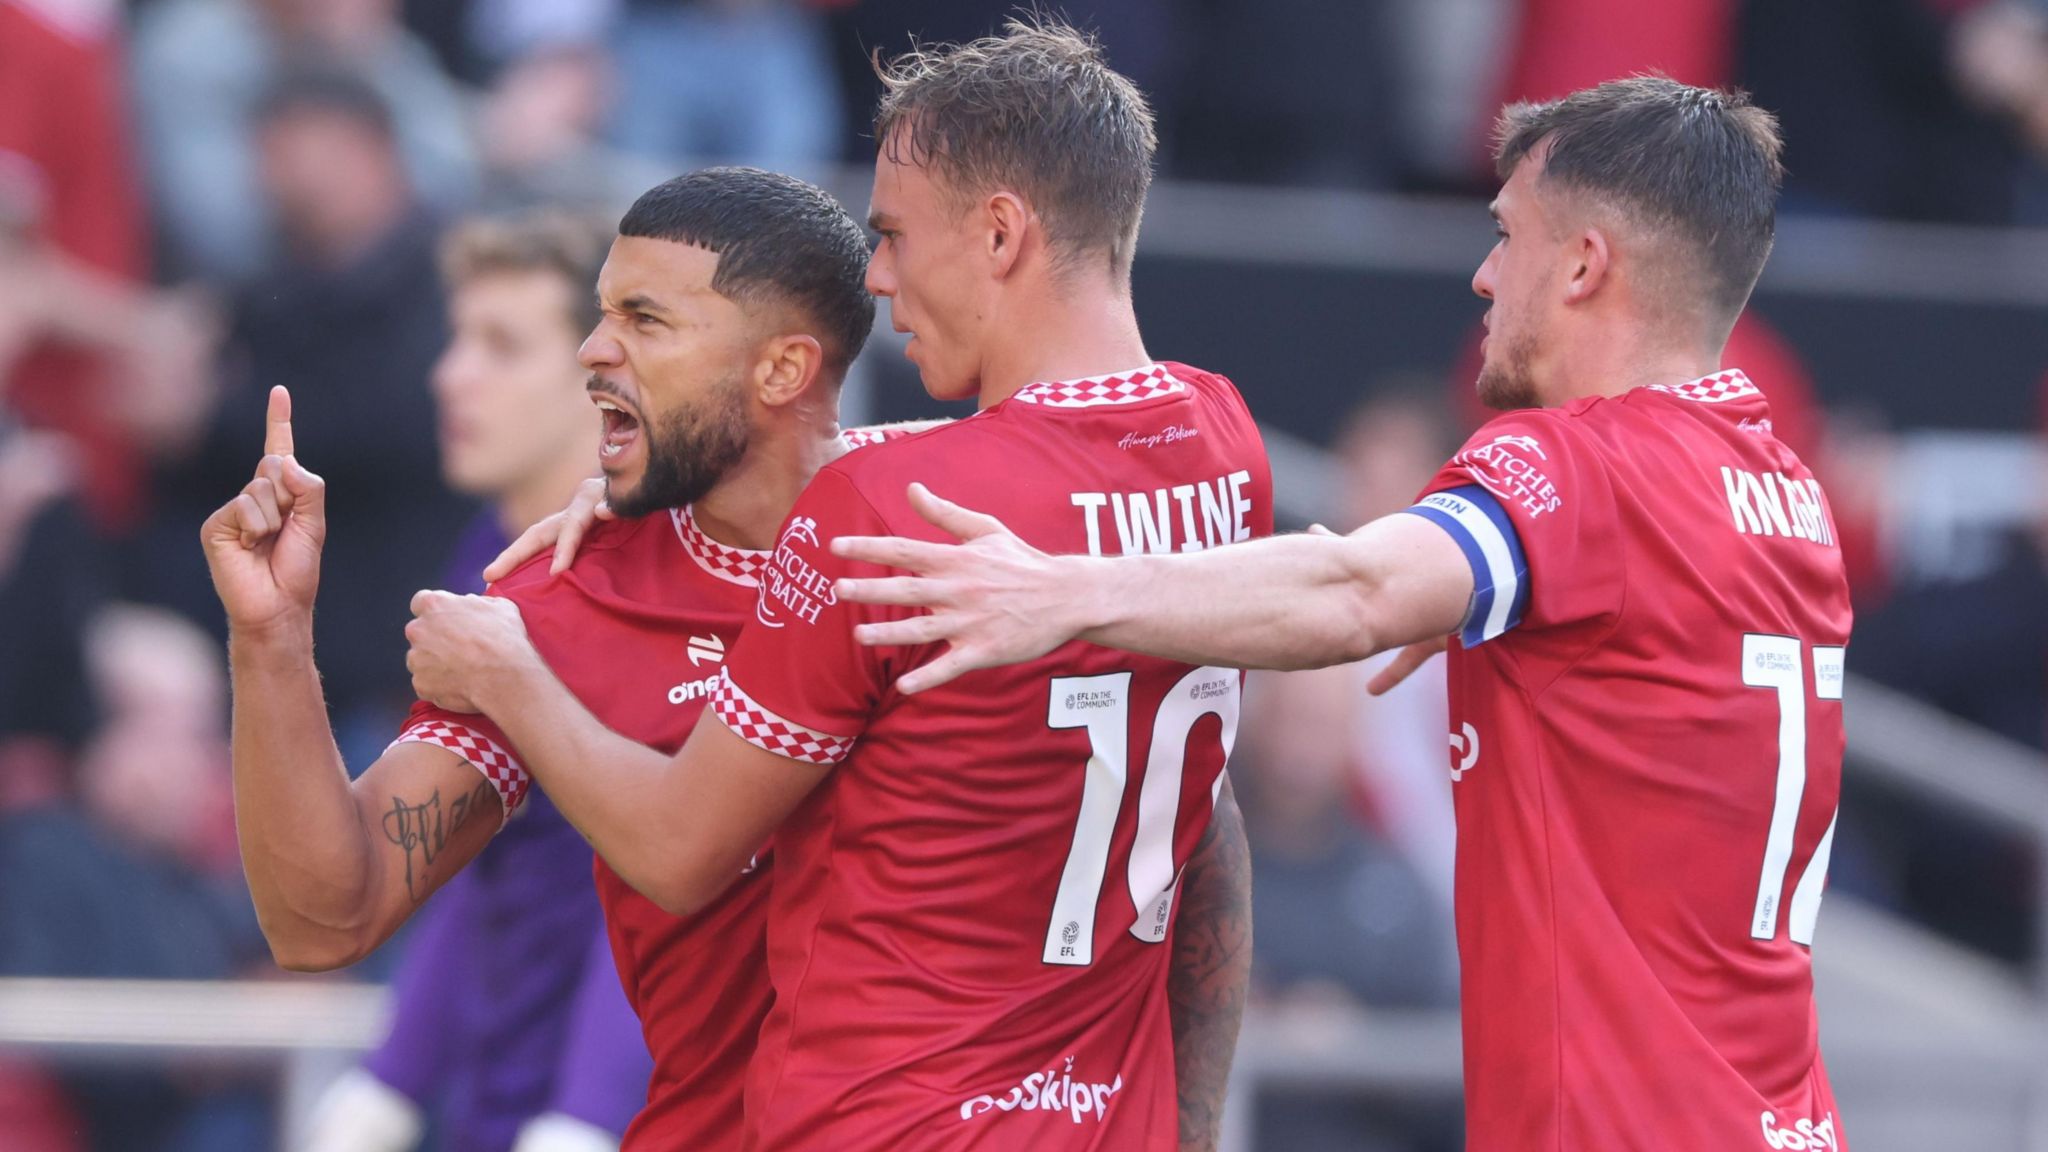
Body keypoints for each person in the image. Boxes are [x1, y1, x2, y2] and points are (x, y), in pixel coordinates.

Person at [830, 77, 1853, 1151]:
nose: (1483, 274)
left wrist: (1058, 589)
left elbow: (1357, 592)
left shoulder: (1577, 465)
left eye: (1507, 237)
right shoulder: (1784, 499)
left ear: (1584, 265)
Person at [402, 19, 1265, 1150]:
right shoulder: (1220, 440)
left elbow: (676, 851)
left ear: (1000, 234)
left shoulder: (883, 511)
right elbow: (1208, 838)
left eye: (897, 235)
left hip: (879, 1119)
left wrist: (507, 671)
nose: (876, 274)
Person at [201, 167, 880, 1149]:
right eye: (597, 319)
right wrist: (269, 640)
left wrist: (579, 1112)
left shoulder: (923, 543)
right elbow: (331, 917)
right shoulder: (523, 591)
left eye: (641, 321)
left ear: (779, 366)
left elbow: (673, 855)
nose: (594, 356)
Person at [296, 212, 654, 1152]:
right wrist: (394, 1077)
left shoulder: (673, 579)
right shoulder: (485, 563)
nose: (451, 373)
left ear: (607, 378)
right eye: (458, 337)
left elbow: (672, 874)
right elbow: (461, 850)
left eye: (502, 344)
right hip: (494, 1102)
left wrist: (590, 1113)